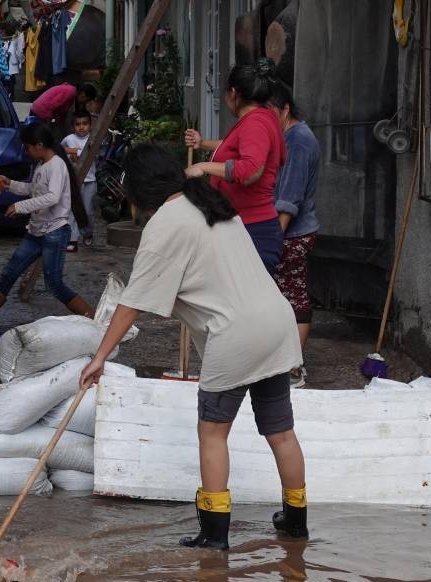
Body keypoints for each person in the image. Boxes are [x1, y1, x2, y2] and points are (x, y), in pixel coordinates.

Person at [80, 145, 308, 550]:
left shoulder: (165, 224)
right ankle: (295, 521)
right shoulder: (210, 202)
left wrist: (99, 357)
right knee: (281, 432)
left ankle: (215, 534)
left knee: (213, 434)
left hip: (235, 336)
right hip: (276, 322)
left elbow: (132, 302)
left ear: (139, 190)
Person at [0, 121, 93, 329]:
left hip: (54, 231)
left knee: (54, 284)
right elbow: (33, 189)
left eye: (27, 147)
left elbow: (52, 197)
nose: (26, 152)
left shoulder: (56, 165)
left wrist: (21, 206)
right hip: (37, 231)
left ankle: (94, 319)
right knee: (9, 272)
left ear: (39, 145)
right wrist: (9, 184)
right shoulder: (42, 165)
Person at [183, 58, 287, 274]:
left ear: (233, 93)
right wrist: (203, 143)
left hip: (253, 230)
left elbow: (250, 170)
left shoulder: (255, 123)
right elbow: (236, 148)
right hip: (248, 226)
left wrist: (204, 167)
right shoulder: (261, 119)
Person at [268, 82, 321, 388]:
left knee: (294, 297)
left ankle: (294, 367)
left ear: (285, 110)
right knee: (284, 295)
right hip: (288, 231)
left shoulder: (299, 141)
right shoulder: (287, 136)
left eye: (270, 112)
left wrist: (275, 238)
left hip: (293, 233)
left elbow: (290, 197)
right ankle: (283, 362)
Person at [62, 109, 97, 248]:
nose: (81, 127)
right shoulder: (69, 139)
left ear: (90, 124)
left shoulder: (93, 138)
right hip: (75, 180)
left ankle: (87, 233)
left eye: (85, 123)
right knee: (74, 209)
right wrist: (69, 151)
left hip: (90, 180)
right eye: (78, 124)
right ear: (73, 126)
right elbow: (58, 149)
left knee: (88, 210)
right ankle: (73, 239)